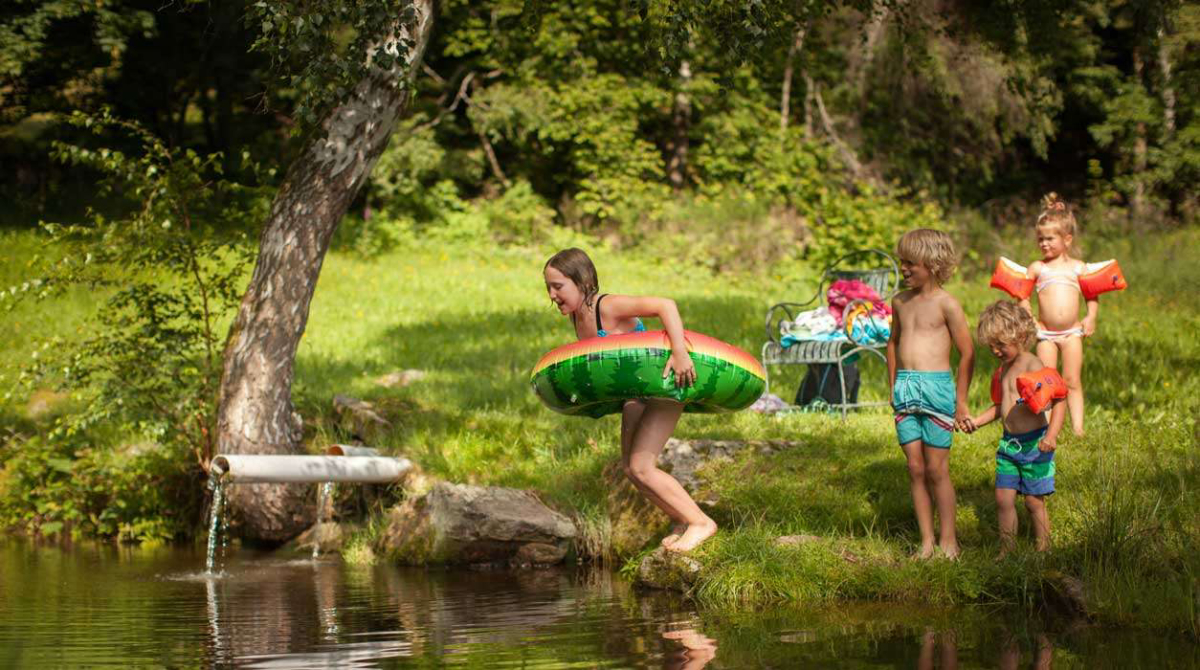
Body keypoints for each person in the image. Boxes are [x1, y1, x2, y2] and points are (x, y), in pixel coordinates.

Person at [542, 248, 717, 552]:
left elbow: (666, 305)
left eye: (558, 286)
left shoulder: (606, 307)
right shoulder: (579, 319)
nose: (552, 294)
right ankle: (681, 520)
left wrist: (679, 351)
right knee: (631, 469)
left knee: (642, 466)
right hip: (635, 398)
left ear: (582, 282)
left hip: (663, 386)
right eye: (548, 287)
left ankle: (701, 523)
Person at [887, 229, 975, 560]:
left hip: (937, 389)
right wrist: (893, 384)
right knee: (915, 467)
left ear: (933, 264)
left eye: (911, 264)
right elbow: (893, 343)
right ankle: (925, 542)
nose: (904, 269)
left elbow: (968, 354)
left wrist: (961, 401)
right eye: (902, 263)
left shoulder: (947, 304)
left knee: (937, 469)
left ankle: (948, 540)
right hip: (906, 389)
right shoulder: (899, 302)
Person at [964, 300, 1067, 557]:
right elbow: (1000, 406)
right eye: (992, 346)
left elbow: (1060, 397)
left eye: (1001, 344)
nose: (996, 351)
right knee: (1003, 500)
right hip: (1008, 445)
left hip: (1035, 444)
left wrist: (1052, 435)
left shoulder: (1032, 364)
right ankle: (1007, 549)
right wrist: (977, 421)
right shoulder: (1002, 371)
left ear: (1020, 335)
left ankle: (1044, 547)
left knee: (1033, 501)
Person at [1019, 193, 1095, 436]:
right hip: (1045, 333)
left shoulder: (1077, 267)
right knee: (1047, 381)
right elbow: (1022, 295)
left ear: (1067, 239)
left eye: (1050, 238)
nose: (1043, 243)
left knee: (1072, 380)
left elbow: (1092, 295)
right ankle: (1047, 428)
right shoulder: (1038, 268)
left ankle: (1078, 428)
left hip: (1072, 332)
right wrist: (1028, 317)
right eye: (1040, 239)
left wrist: (1090, 316)